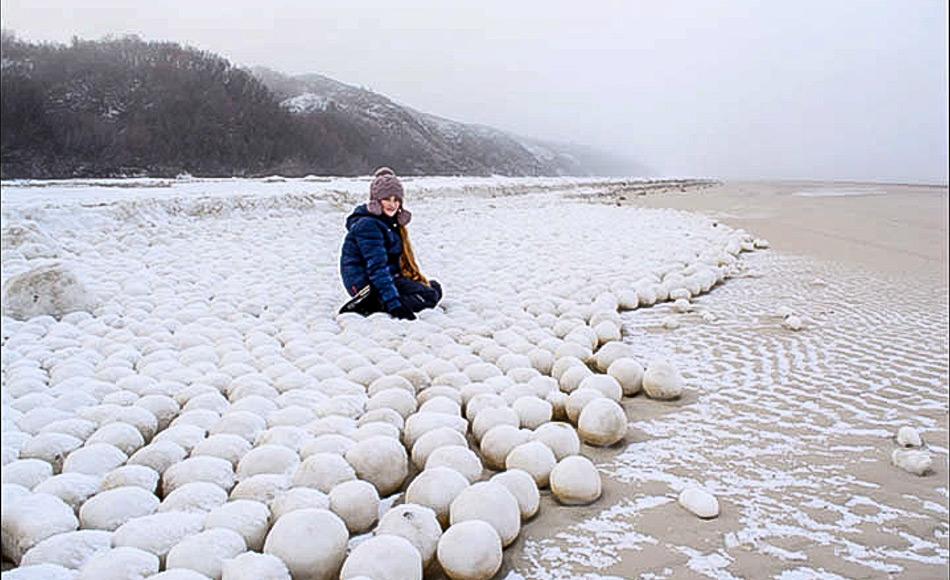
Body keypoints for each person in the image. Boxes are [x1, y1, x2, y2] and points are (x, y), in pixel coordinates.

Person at [339, 167, 442, 320]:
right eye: (387, 199)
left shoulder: (390, 223)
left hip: (387, 278)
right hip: (365, 285)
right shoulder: (368, 225)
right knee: (429, 296)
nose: (392, 204)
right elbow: (377, 268)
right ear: (376, 201)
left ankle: (386, 299)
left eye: (396, 200)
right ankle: (375, 304)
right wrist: (395, 305)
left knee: (434, 288)